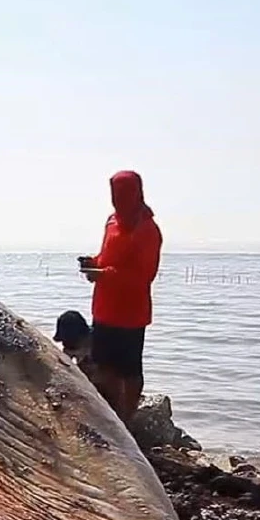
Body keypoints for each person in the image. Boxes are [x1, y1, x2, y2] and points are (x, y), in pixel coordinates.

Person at [78, 170, 163, 423]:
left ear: (137, 193)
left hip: (131, 313)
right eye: (115, 194)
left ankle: (127, 418)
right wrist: (94, 263)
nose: (118, 199)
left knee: (129, 370)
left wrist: (105, 274)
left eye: (123, 194)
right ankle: (110, 415)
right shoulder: (112, 222)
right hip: (104, 308)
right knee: (103, 366)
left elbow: (144, 275)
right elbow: (107, 256)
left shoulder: (148, 229)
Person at [53, 310, 98, 383]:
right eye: (65, 342)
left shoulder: (99, 344)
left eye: (72, 342)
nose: (66, 345)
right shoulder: (71, 347)